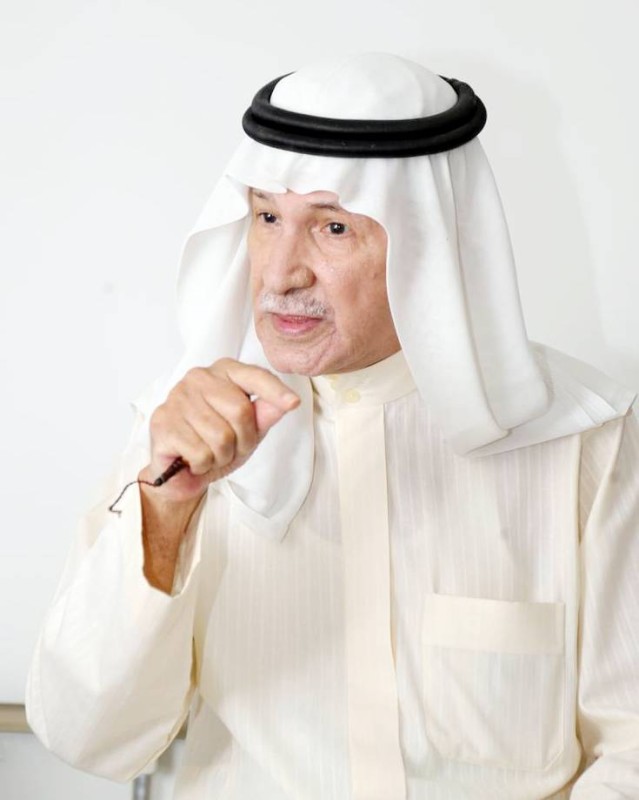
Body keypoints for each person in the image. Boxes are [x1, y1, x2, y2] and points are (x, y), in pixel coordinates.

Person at [26, 53, 639, 800]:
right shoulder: (181, 432)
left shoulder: (587, 438)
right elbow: (89, 738)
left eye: (334, 227)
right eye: (267, 218)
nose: (281, 273)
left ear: (429, 243)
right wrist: (166, 513)